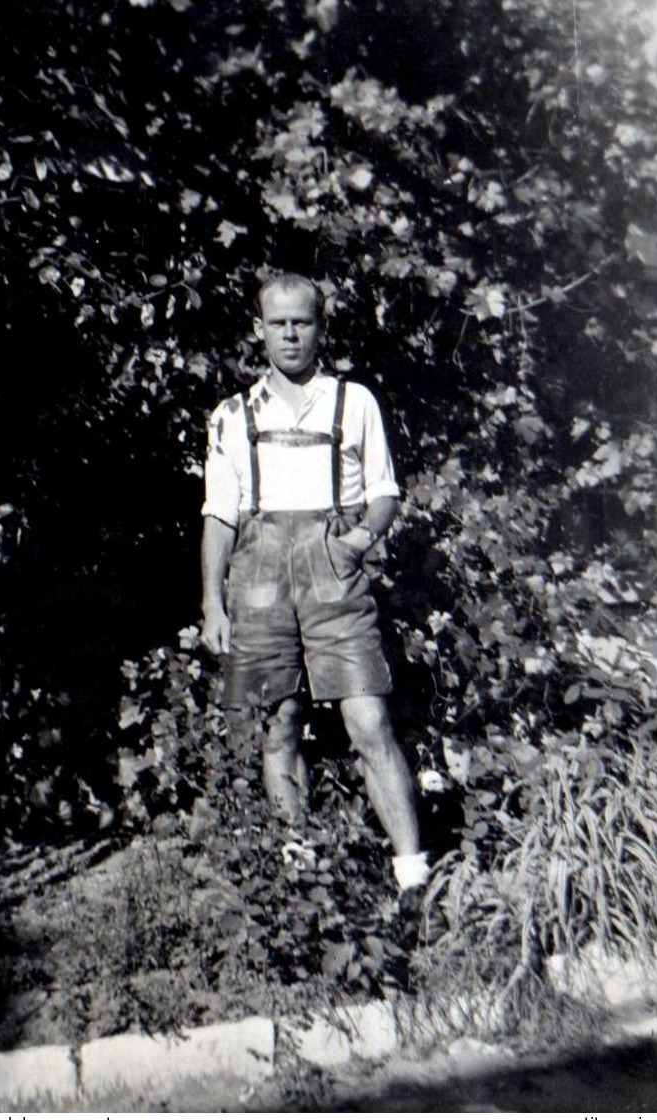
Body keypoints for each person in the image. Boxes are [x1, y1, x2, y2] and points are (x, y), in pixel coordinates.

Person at [199, 273, 429, 901]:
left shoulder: (353, 403)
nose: (291, 334)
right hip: (259, 576)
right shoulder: (232, 415)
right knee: (278, 722)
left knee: (368, 717)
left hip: (333, 572)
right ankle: (303, 876)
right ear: (260, 330)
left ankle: (415, 879)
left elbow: (383, 493)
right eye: (279, 323)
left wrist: (355, 543)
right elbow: (219, 516)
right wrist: (211, 601)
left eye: (303, 322)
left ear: (321, 328)